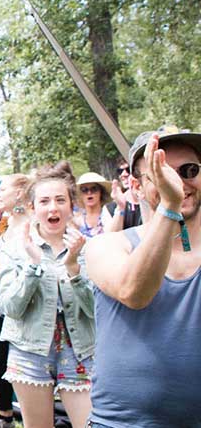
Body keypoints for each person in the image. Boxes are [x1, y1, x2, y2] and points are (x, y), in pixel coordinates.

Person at [85, 127, 201, 428]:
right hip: (120, 423)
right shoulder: (106, 246)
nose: (178, 181)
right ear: (135, 187)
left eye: (189, 170)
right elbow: (135, 291)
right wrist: (170, 205)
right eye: (161, 171)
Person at [0, 164, 94, 428]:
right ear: (32, 208)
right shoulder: (12, 248)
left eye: (60, 200)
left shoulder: (87, 249)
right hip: (29, 350)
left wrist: (74, 269)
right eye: (45, 201)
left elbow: (97, 311)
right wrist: (33, 265)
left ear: (71, 204)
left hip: (79, 350)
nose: (53, 208)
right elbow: (11, 308)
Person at [0, 174, 31, 428]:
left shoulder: (32, 225)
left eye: (3, 189)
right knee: (0, 357)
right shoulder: (6, 224)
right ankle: (5, 416)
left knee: (22, 364)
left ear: (21, 192)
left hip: (24, 303)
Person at [103, 158, 143, 232]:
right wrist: (120, 208)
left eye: (128, 170)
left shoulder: (152, 199)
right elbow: (110, 237)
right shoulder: (111, 207)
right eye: (120, 171)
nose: (123, 174)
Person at [73, 172, 110, 238]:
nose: (89, 193)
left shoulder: (109, 214)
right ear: (80, 194)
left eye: (94, 189)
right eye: (84, 190)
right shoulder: (76, 221)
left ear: (101, 192)